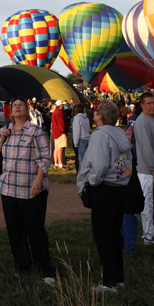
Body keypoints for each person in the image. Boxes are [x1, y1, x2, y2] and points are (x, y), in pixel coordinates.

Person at [0, 97, 54, 283]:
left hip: (30, 189)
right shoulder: (7, 131)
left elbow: (45, 157)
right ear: (10, 112)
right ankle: (22, 267)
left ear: (26, 110)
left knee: (35, 230)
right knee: (15, 231)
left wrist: (38, 180)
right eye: (14, 106)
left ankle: (46, 270)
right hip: (8, 189)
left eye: (21, 105)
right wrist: (2, 138)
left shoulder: (35, 131)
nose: (17, 107)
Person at [76, 100, 133, 293]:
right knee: (114, 234)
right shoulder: (120, 134)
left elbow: (98, 165)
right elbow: (124, 163)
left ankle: (108, 283)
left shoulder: (100, 136)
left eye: (96, 112)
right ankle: (119, 278)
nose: (94, 114)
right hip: (120, 187)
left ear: (100, 116)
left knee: (102, 236)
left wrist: (92, 183)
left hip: (104, 190)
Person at [133, 92, 154, 246]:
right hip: (147, 171)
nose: (152, 106)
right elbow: (146, 149)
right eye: (148, 103)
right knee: (148, 204)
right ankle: (148, 237)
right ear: (141, 105)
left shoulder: (151, 119)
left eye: (153, 103)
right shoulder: (142, 122)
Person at [72, 104, 91, 170]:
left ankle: (82, 176)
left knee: (81, 159)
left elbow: (77, 131)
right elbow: (89, 129)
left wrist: (76, 143)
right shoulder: (86, 118)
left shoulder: (77, 118)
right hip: (87, 138)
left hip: (81, 139)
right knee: (87, 159)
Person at [51, 100, 68, 169]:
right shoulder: (59, 113)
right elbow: (61, 124)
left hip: (55, 133)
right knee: (60, 149)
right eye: (63, 105)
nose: (63, 106)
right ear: (60, 105)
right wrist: (63, 131)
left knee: (56, 148)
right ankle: (61, 164)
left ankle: (56, 163)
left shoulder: (54, 112)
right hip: (60, 133)